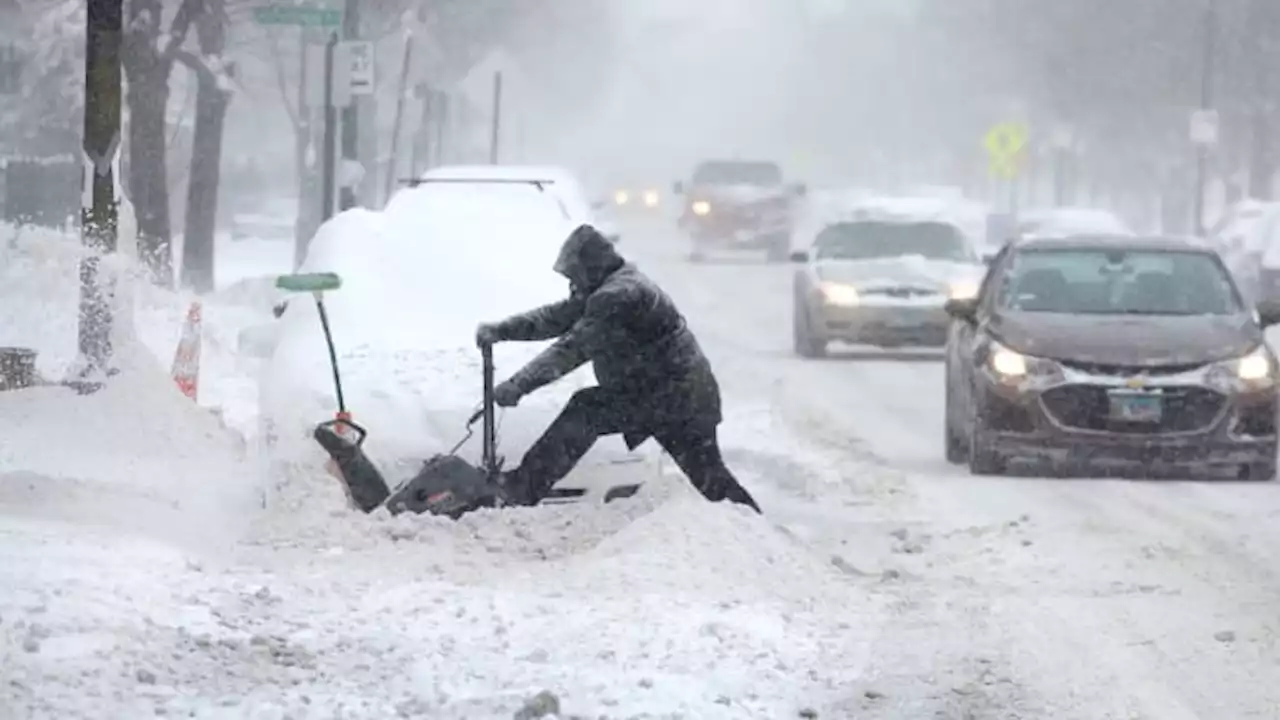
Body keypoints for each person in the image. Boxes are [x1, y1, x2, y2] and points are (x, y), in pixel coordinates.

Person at [475, 223, 762, 513]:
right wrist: (501, 330)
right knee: (710, 477)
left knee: (587, 409)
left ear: (591, 267)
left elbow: (573, 348)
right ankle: (752, 525)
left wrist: (519, 384)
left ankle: (523, 488)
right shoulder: (609, 287)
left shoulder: (619, 296)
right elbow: (557, 317)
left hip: (672, 396)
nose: (572, 284)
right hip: (674, 394)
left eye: (574, 275)